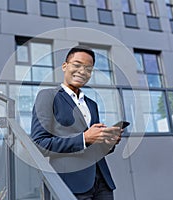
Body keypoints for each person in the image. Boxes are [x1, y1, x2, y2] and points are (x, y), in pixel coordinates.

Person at [30, 45, 122, 200]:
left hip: (102, 184)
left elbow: (94, 147)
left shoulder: (92, 104)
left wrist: (108, 143)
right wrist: (83, 139)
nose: (82, 71)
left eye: (88, 68)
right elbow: (39, 143)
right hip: (71, 183)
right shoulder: (48, 96)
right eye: (77, 65)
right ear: (65, 66)